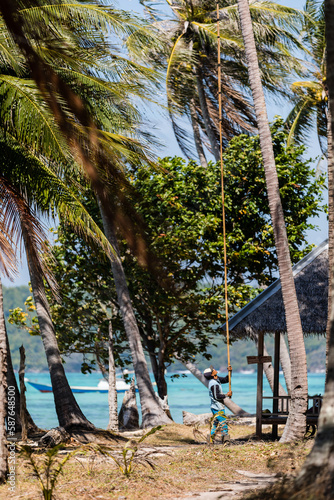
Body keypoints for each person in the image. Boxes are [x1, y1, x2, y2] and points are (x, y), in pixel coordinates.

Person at [204, 366, 232, 444]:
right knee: (224, 424)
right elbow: (216, 396)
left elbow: (226, 380)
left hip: (216, 407)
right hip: (217, 408)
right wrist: (226, 395)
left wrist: (230, 372)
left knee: (215, 424)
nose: (215, 370)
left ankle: (210, 441)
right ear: (212, 374)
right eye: (213, 370)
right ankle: (226, 442)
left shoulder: (217, 379)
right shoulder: (214, 384)